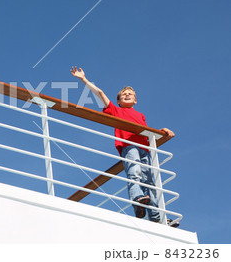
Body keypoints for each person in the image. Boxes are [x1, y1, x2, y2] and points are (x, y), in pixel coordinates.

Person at [70, 66, 176, 225]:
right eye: (123, 94)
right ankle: (137, 200)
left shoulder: (140, 115)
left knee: (149, 181)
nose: (127, 95)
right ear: (119, 101)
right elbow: (100, 94)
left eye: (130, 94)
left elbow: (147, 132)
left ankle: (156, 218)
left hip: (145, 148)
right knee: (134, 171)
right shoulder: (115, 110)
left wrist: (162, 132)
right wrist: (83, 79)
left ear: (135, 100)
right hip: (129, 146)